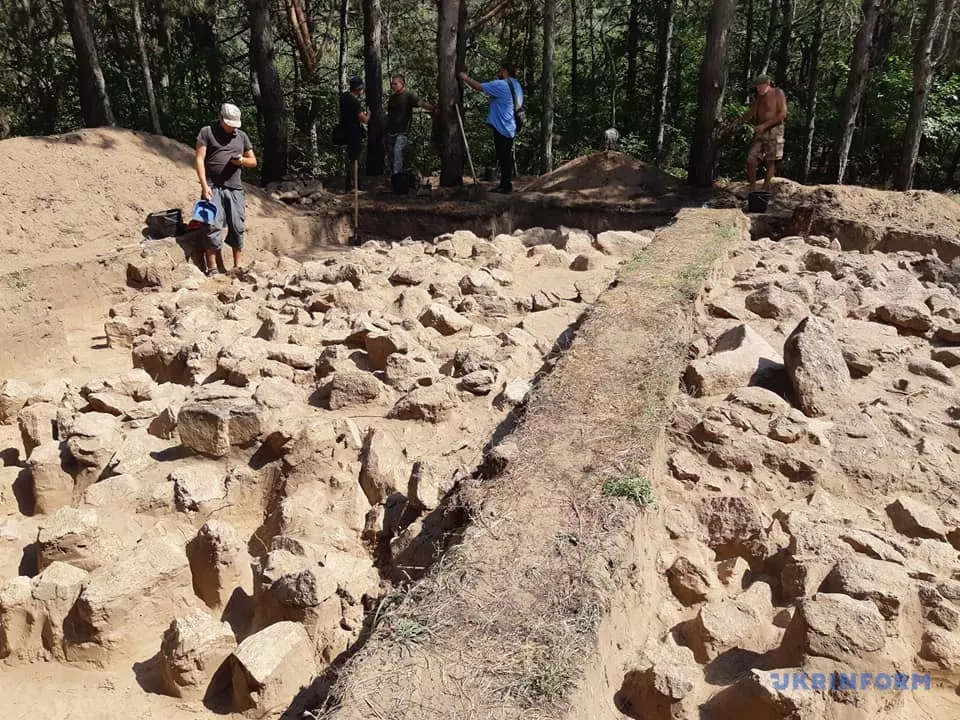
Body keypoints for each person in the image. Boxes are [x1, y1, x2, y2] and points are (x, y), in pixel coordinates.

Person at [195, 102, 257, 274]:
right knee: (211, 225)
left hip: (234, 188)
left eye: (234, 125)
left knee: (237, 225)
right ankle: (213, 268)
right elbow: (199, 159)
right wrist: (204, 186)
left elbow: (253, 161)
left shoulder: (242, 136)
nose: (232, 128)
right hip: (212, 186)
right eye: (229, 124)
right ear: (221, 118)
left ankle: (237, 267)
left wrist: (241, 160)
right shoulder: (207, 132)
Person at [458, 63, 523, 194]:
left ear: (505, 71)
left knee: (503, 157)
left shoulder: (501, 85)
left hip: (502, 127)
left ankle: (506, 186)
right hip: (510, 126)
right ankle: (505, 184)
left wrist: (465, 78)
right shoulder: (516, 85)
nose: (498, 72)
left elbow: (478, 87)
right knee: (505, 157)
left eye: (500, 70)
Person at [727, 75, 788, 192]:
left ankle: (765, 189)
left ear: (768, 84)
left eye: (760, 86)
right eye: (757, 87)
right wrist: (736, 123)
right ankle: (753, 188)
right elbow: (751, 112)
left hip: (775, 130)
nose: (758, 89)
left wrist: (765, 125)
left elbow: (782, 114)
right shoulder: (760, 97)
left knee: (770, 161)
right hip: (761, 131)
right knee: (751, 159)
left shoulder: (778, 93)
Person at [385, 74, 436, 179]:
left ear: (401, 83)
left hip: (403, 131)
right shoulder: (392, 98)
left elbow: (421, 103)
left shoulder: (409, 96)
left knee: (398, 150)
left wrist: (433, 109)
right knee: (392, 154)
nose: (393, 86)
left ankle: (397, 177)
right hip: (391, 131)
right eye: (392, 84)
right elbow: (389, 115)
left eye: (395, 84)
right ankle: (399, 175)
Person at [340, 76, 369, 191]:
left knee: (350, 157)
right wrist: (369, 115)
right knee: (355, 158)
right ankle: (353, 185)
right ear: (358, 89)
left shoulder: (344, 97)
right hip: (354, 132)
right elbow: (364, 119)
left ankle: (350, 184)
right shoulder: (354, 102)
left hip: (344, 130)